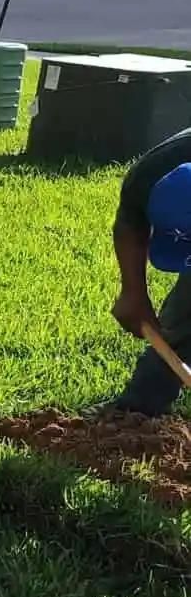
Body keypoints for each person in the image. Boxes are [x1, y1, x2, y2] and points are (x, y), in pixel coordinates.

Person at [111, 126, 191, 415]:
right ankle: (138, 412)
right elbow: (131, 222)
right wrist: (133, 292)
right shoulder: (151, 174)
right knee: (185, 314)